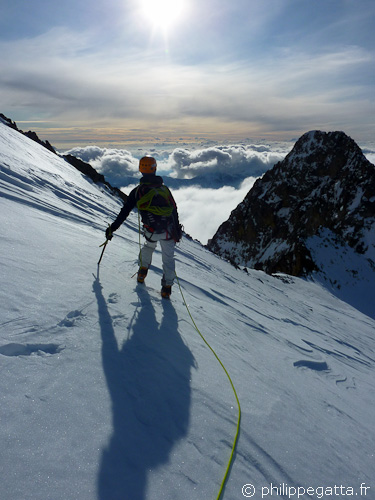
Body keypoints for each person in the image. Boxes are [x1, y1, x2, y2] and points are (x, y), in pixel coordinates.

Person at [105, 156, 182, 299]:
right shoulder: (164, 189)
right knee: (168, 258)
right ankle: (166, 288)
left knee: (148, 247)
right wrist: (177, 229)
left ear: (140, 169)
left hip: (151, 231)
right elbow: (174, 209)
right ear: (155, 168)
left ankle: (142, 272)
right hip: (168, 231)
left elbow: (125, 211)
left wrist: (113, 228)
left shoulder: (137, 191)